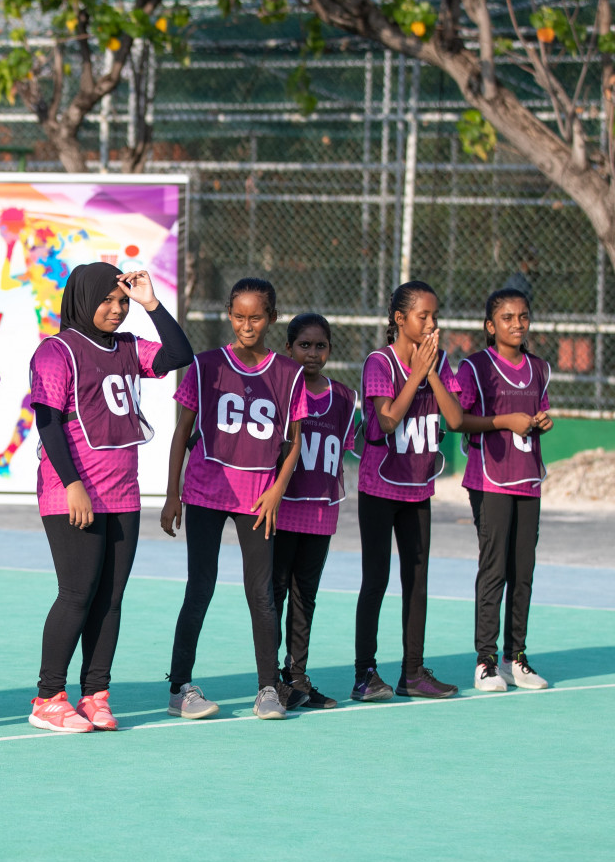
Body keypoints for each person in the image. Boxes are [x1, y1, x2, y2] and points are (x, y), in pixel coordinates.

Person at [25, 263, 192, 733]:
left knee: (111, 599)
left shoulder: (127, 348)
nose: (117, 309)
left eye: (121, 301)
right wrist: (73, 484)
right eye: (107, 300)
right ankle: (47, 697)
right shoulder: (56, 351)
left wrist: (151, 303)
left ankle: (95, 693)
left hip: (123, 492)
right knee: (77, 595)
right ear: (82, 299)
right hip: (73, 492)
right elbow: (49, 422)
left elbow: (179, 353)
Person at [161, 278, 310, 721]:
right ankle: (179, 687)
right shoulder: (206, 366)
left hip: (257, 498)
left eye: (257, 317)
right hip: (206, 491)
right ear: (230, 316)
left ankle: (267, 689)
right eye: (239, 316)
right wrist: (173, 494)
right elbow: (182, 432)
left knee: (260, 593)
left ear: (272, 318)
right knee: (200, 588)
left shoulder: (289, 373)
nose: (247, 325)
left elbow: (294, 442)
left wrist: (277, 491)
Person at [352, 281, 466, 701]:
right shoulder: (379, 363)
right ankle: (365, 673)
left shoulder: (439, 362)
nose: (432, 324)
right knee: (376, 579)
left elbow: (454, 419)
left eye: (436, 316)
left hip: (419, 489)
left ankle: (413, 672)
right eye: (424, 316)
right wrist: (416, 372)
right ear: (400, 319)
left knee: (417, 581)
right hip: (380, 488)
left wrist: (432, 371)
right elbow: (386, 420)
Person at [455, 288, 553, 692]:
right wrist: (504, 421)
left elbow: (540, 408)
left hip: (528, 478)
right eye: (507, 318)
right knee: (494, 568)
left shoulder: (541, 368)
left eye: (523, 316)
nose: (517, 324)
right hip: (489, 478)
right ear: (490, 326)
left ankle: (517, 657)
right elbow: (459, 419)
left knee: (523, 570)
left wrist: (542, 421)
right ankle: (486, 661)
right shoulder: (475, 367)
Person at [271, 313, 359, 710]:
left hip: (320, 513)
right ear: (288, 348)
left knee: (305, 596)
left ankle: (298, 677)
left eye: (319, 345)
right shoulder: (276, 388)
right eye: (303, 345)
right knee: (273, 594)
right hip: (280, 509)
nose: (311, 352)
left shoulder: (343, 397)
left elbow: (351, 446)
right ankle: (270, 678)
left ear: (329, 350)